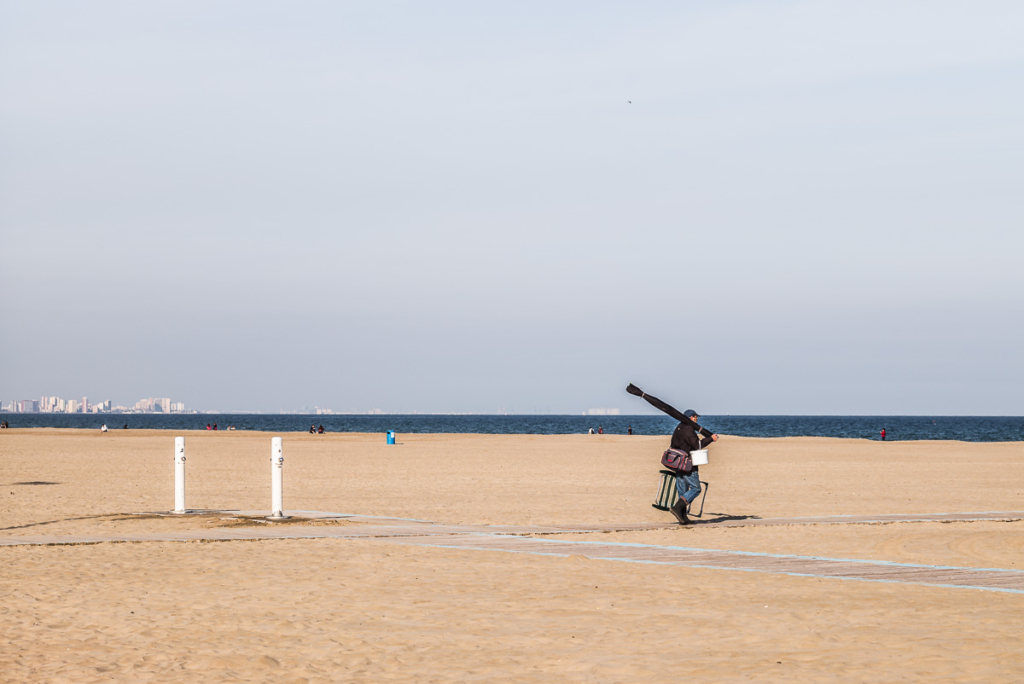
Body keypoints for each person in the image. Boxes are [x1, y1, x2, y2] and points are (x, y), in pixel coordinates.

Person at [668, 409, 719, 525]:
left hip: (677, 464)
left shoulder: (679, 427)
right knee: (696, 489)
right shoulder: (688, 429)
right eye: (696, 417)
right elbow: (697, 445)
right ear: (691, 417)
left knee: (682, 491)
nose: (697, 419)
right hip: (688, 464)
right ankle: (677, 507)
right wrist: (711, 439)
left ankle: (683, 518)